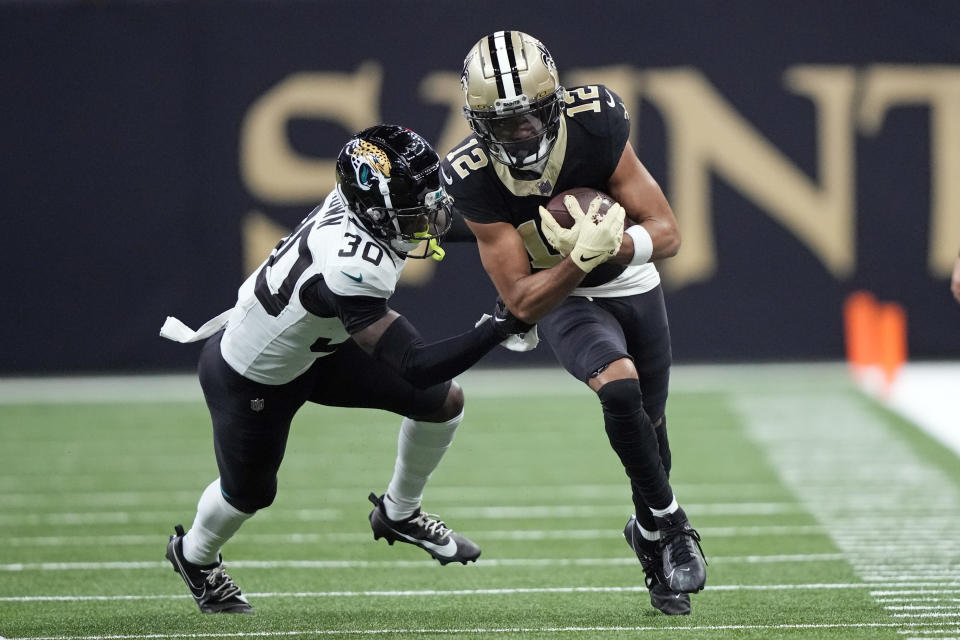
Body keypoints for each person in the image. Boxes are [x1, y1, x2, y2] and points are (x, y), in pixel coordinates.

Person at [158, 124, 534, 614]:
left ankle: (400, 513)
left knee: (443, 402)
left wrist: (524, 226)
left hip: (320, 347)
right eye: (415, 206)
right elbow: (415, 364)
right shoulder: (350, 264)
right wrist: (499, 328)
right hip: (255, 375)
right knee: (248, 494)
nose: (432, 211)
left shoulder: (365, 206)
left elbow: (447, 221)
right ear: (376, 212)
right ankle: (195, 558)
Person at [441, 31, 706, 615]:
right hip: (559, 297)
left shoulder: (597, 121)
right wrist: (577, 261)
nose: (521, 134)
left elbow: (668, 233)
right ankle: (673, 524)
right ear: (477, 122)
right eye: (503, 124)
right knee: (619, 388)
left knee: (651, 429)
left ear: (555, 103)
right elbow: (520, 300)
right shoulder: (471, 175)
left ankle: (646, 534)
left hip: (632, 283)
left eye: (531, 118)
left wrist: (611, 251)